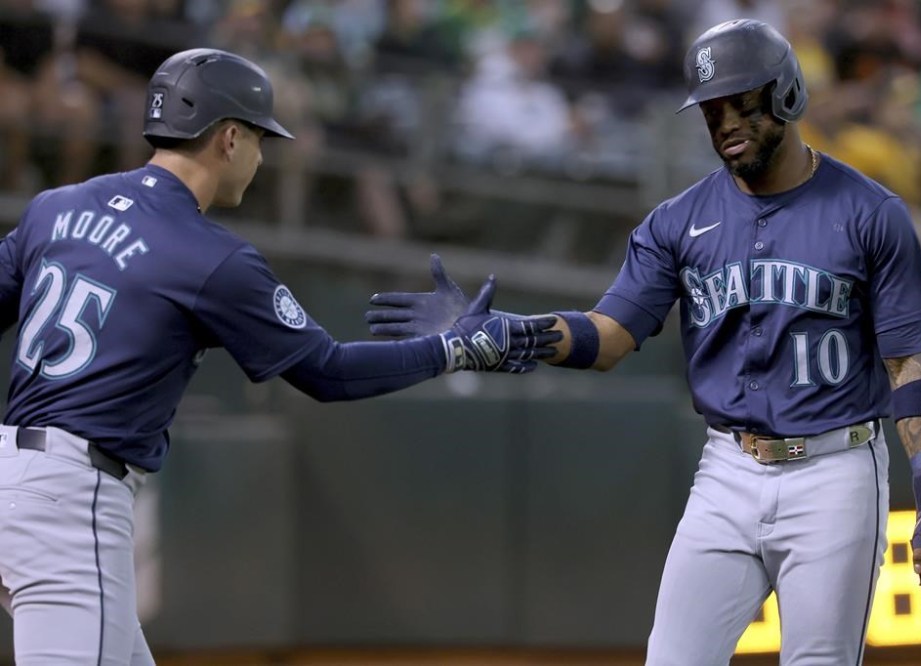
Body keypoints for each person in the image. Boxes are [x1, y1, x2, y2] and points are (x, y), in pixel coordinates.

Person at [366, 19, 921, 665]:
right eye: (713, 110)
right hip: (728, 470)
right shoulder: (677, 221)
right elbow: (609, 336)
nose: (727, 123)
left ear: (786, 95)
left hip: (835, 470)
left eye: (743, 102)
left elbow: (910, 357)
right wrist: (512, 333)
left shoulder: (870, 212)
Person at [0, 47, 559, 665]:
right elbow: (328, 374)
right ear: (230, 138)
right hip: (73, 502)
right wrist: (454, 350)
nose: (263, 157)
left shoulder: (57, 206)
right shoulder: (212, 257)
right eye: (262, 139)